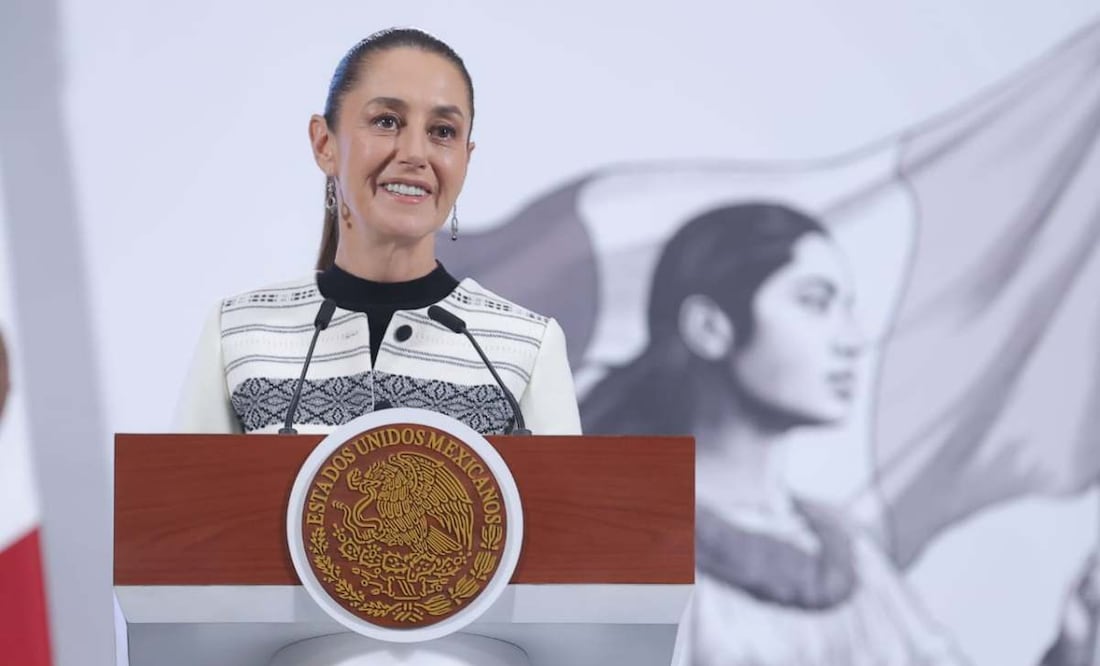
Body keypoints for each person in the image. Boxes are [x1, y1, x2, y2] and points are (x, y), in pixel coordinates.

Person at [583, 202, 971, 665]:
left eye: (846, 308)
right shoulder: (617, 547)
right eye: (814, 302)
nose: (852, 340)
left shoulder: (852, 556)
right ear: (710, 327)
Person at [175, 28, 580, 436]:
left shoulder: (526, 345)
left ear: (466, 159)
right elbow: (186, 480)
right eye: (387, 121)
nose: (415, 154)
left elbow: (560, 482)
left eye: (443, 131)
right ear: (324, 143)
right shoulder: (237, 332)